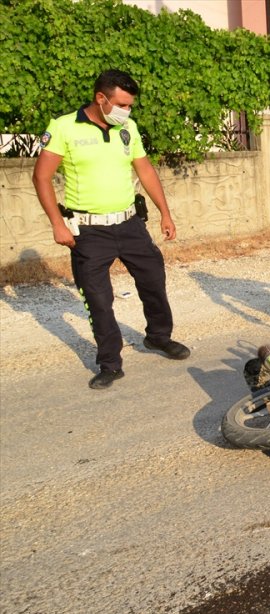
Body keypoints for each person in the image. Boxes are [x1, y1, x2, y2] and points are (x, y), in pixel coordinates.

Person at [32, 69, 190, 390]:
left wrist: (165, 212)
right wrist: (57, 223)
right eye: (121, 105)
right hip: (89, 232)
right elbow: (41, 176)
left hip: (131, 224)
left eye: (130, 106)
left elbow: (144, 169)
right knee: (99, 299)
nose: (126, 112)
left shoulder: (126, 128)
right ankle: (110, 363)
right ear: (101, 98)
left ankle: (159, 337)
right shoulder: (64, 127)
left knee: (153, 281)